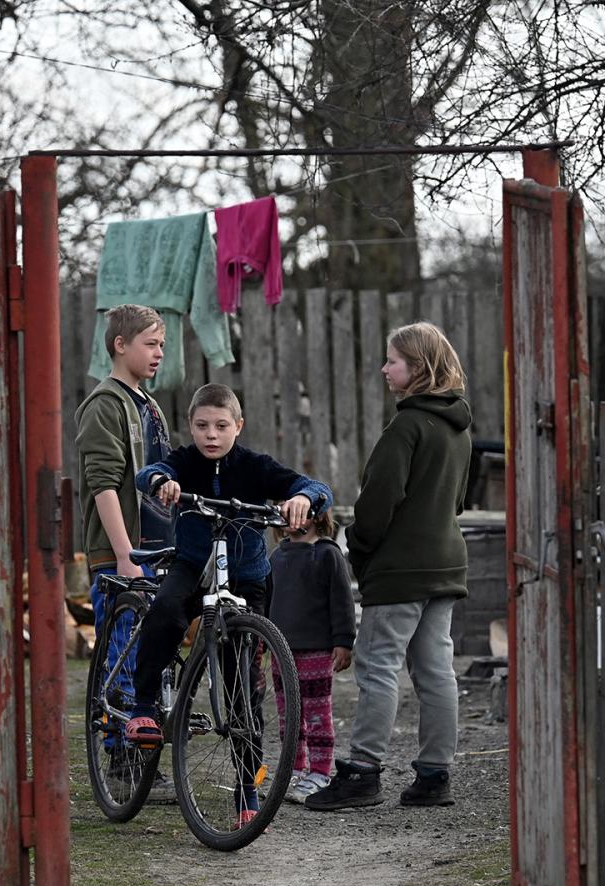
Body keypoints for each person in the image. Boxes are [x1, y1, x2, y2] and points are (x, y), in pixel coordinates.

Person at [130, 382, 333, 825]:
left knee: (245, 687)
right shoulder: (184, 462)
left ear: (238, 427)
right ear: (191, 426)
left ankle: (247, 788)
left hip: (246, 578)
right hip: (193, 566)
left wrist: (302, 498)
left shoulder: (255, 467)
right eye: (202, 425)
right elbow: (148, 474)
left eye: (222, 426)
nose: (211, 435)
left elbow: (315, 487)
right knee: (164, 611)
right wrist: (163, 482)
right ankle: (144, 705)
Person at [306, 322, 473, 811]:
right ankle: (434, 776)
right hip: (446, 565)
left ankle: (362, 773)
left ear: (417, 368)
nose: (384, 368)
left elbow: (377, 504)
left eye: (392, 360)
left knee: (378, 669)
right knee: (436, 671)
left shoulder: (405, 427)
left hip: (400, 570)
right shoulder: (458, 429)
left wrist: (357, 546)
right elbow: (459, 500)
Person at [74, 304, 176, 798]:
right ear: (121, 344)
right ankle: (122, 763)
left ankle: (146, 755)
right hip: (122, 553)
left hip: (157, 552)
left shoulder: (148, 404)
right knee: (124, 653)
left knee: (153, 655)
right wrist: (124, 554)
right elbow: (102, 484)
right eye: (151, 343)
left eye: (161, 344)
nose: (160, 352)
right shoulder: (106, 404)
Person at [268, 511, 356, 803]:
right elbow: (267, 602)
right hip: (281, 651)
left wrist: (343, 641)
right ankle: (293, 769)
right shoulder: (276, 558)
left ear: (317, 517)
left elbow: (342, 600)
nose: (287, 516)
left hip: (317, 650)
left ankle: (319, 771)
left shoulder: (328, 554)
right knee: (288, 717)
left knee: (317, 715)